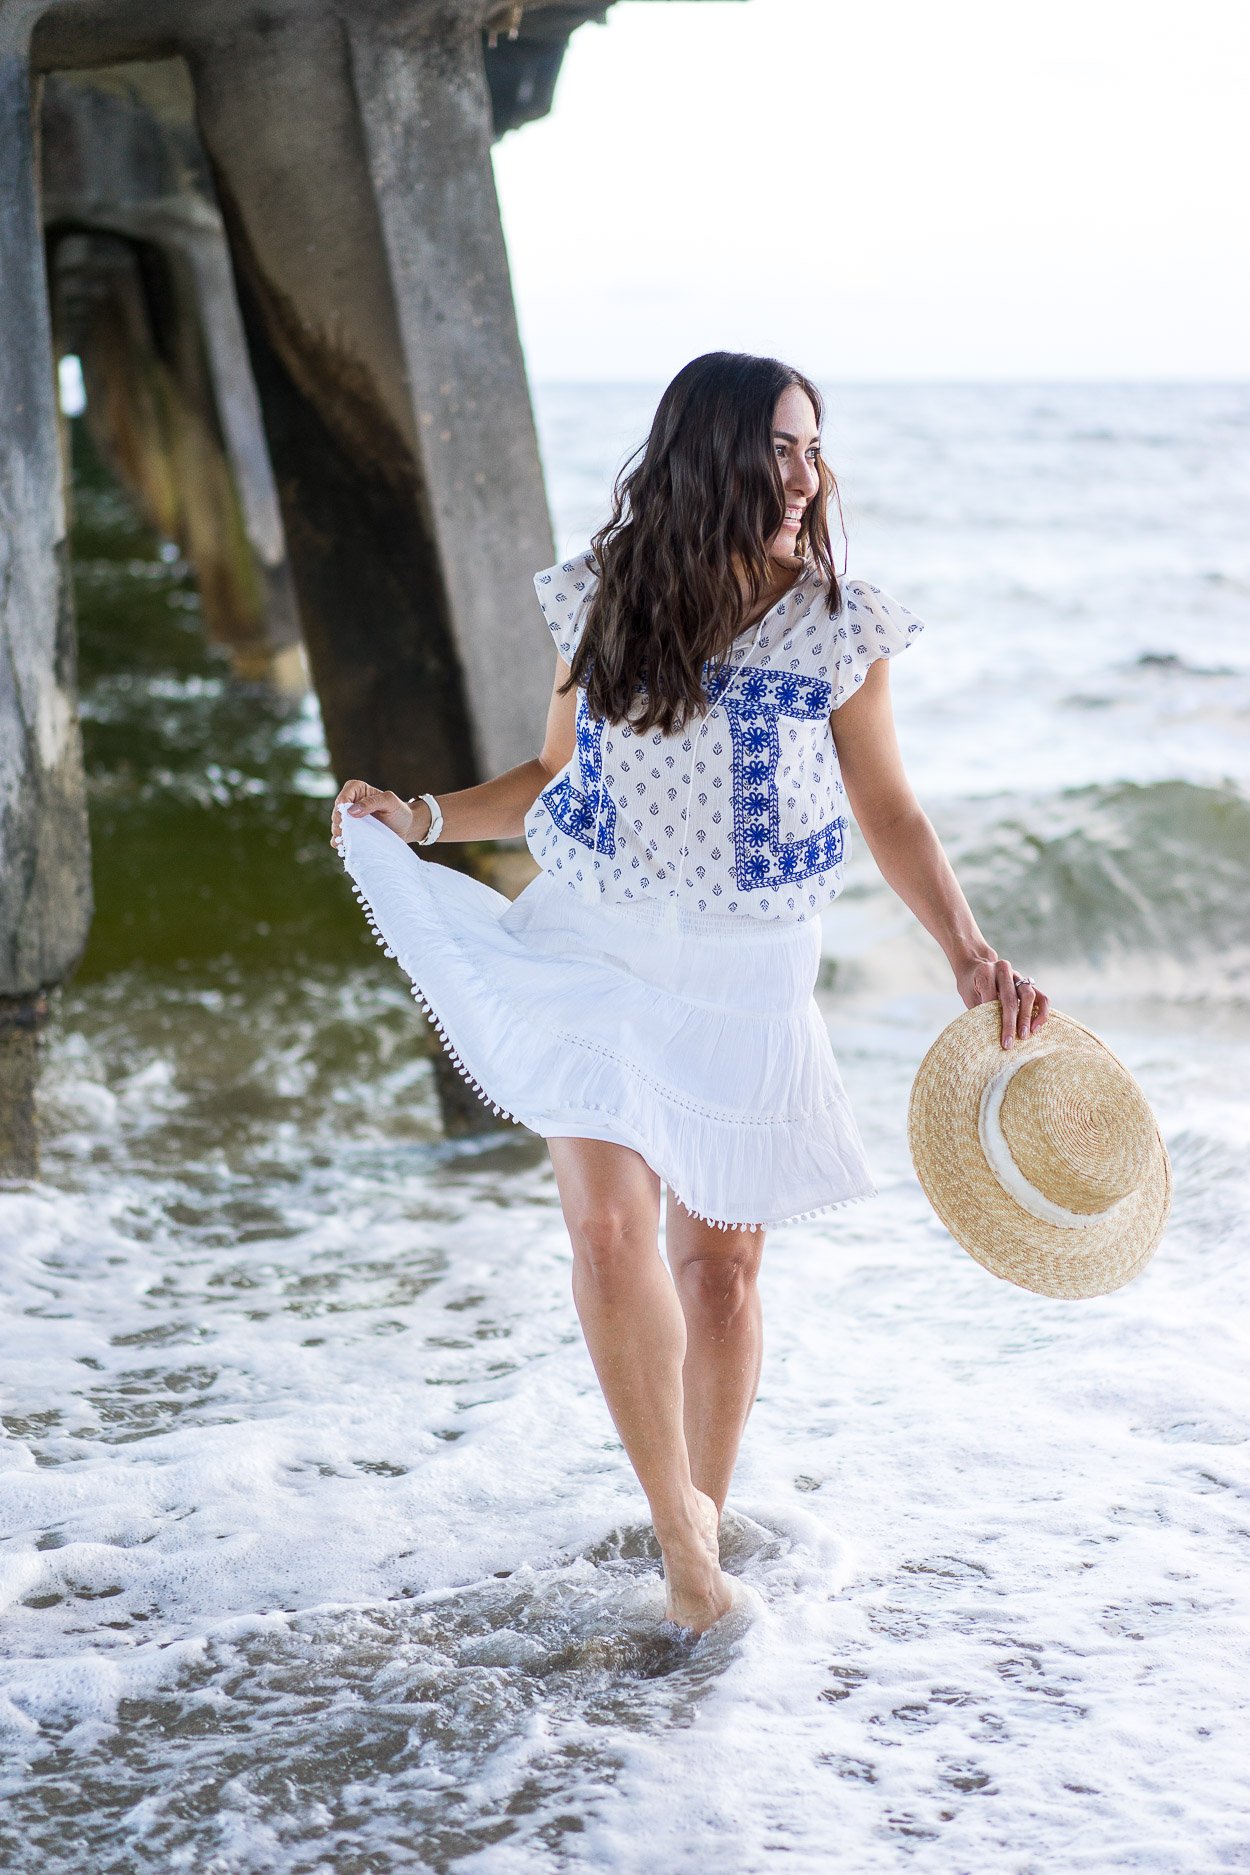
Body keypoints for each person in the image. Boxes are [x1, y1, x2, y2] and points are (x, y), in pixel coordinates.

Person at [330, 352, 1050, 1635]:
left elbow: (886, 806)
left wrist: (963, 946)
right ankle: (683, 1551)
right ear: (707, 451)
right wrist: (421, 817)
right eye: (778, 446)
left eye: (811, 448)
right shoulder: (602, 596)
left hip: (747, 975)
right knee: (609, 1235)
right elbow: (550, 777)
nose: (804, 474)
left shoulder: (841, 623)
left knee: (718, 1278)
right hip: (592, 946)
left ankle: (700, 1524)